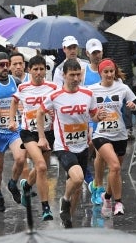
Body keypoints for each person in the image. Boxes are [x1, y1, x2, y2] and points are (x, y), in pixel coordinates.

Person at [39, 58, 98, 228]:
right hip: (64, 146)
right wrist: (42, 137)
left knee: (77, 188)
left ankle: (68, 220)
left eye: (78, 74)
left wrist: (97, 118)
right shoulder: (55, 96)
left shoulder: (88, 94)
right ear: (64, 75)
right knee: (78, 178)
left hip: (83, 145)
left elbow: (93, 116)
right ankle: (64, 200)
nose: (75, 78)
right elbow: (40, 112)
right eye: (72, 75)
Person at [89, 59, 136, 216]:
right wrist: (96, 117)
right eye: (106, 72)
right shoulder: (92, 90)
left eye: (111, 71)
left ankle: (107, 197)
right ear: (100, 73)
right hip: (101, 135)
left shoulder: (122, 87)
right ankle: (118, 203)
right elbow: (88, 114)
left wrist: (133, 106)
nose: (109, 74)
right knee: (114, 166)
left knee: (115, 172)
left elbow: (134, 103)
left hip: (120, 135)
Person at [13, 55, 58, 221]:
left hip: (48, 131)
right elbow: (14, 101)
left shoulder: (53, 87)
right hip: (29, 132)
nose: (39, 72)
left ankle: (26, 184)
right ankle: (46, 207)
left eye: (42, 69)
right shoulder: (23, 87)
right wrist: (12, 119)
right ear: (29, 70)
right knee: (41, 166)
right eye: (35, 69)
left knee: (42, 166)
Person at [0, 52, 26, 212]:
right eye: (0, 65)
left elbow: (21, 101)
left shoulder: (15, 82)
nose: (4, 67)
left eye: (6, 64)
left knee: (21, 158)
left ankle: (12, 183)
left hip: (14, 129)